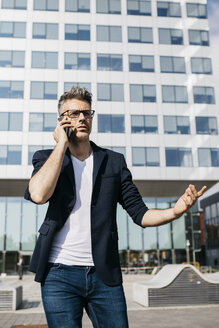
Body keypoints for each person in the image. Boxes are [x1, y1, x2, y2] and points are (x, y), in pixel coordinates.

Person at [24, 87, 206, 328]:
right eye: (74, 113)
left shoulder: (113, 162)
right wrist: (60, 145)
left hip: (104, 274)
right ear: (61, 120)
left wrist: (175, 211)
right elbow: (38, 195)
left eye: (87, 113)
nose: (81, 118)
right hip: (59, 273)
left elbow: (140, 214)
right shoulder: (46, 158)